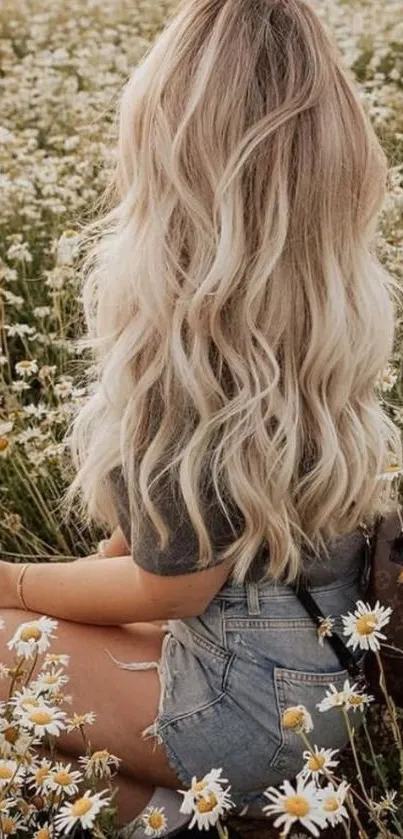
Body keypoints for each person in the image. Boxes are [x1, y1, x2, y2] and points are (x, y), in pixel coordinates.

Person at [0, 0, 401, 831]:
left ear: (167, 155)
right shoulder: (327, 311)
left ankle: (186, 815)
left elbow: (173, 586)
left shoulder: (196, 342)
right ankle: (196, 814)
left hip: (259, 710)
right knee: (29, 636)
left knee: (12, 655)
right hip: (330, 684)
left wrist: (11, 583)